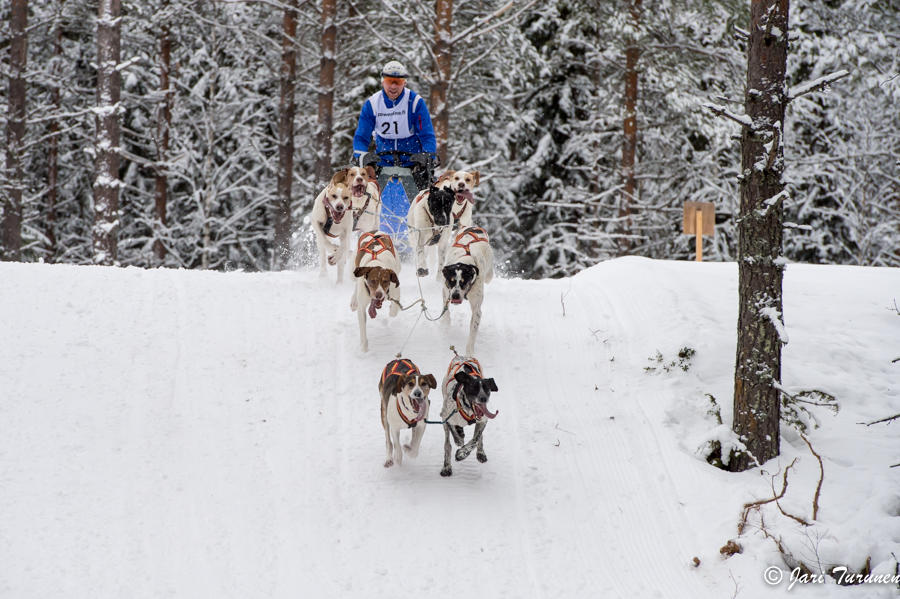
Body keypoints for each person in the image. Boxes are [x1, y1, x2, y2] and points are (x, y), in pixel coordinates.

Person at [352, 61, 438, 197]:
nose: (393, 86)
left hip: (412, 162)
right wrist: (361, 155)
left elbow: (427, 135)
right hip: (382, 162)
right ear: (382, 81)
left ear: (405, 83)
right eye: (389, 81)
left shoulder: (415, 102)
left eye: (398, 82)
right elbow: (361, 137)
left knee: (427, 198)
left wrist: (427, 155)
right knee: (362, 193)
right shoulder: (373, 104)